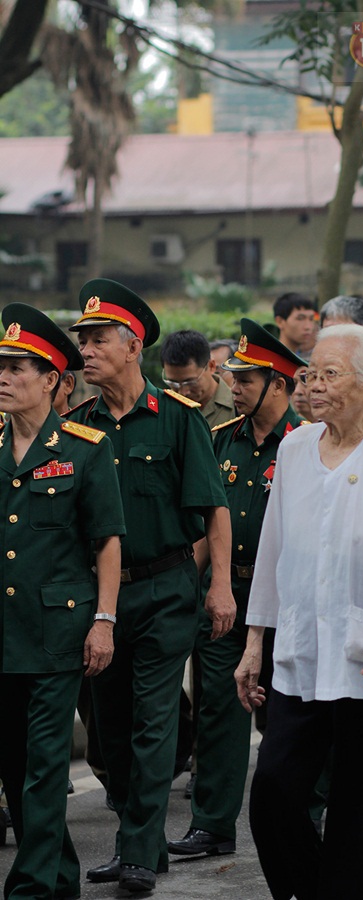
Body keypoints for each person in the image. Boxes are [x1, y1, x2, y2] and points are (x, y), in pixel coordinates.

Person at [234, 323, 363, 900]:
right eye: (309, 373)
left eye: (329, 374)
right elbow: (273, 550)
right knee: (273, 794)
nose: (313, 386)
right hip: (301, 656)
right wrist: (256, 644)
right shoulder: (296, 447)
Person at [66, 278, 234, 894]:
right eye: (81, 340)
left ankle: (138, 847)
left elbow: (214, 508)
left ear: (133, 345)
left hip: (166, 588)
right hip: (102, 599)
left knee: (153, 721)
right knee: (109, 729)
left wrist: (219, 588)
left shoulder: (178, 419)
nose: (86, 350)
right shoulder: (78, 427)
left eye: (98, 339)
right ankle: (137, 838)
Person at [167, 319, 306, 860]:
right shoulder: (219, 440)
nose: (236, 386)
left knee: (289, 708)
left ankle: (305, 811)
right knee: (218, 710)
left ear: (279, 383)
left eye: (247, 378)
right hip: (227, 594)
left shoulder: (305, 444)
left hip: (286, 600)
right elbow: (204, 522)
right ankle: (212, 823)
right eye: (236, 376)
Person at [0, 303, 124, 900]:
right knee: (15, 767)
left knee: (47, 766)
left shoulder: (85, 447)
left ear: (52, 379)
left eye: (18, 366)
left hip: (58, 634)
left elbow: (106, 544)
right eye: (0, 365)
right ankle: (60, 878)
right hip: (4, 634)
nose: (3, 376)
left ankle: (28, 888)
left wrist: (103, 620)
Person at [160, 329, 235, 429]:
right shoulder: (162, 410)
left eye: (190, 382)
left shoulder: (238, 407)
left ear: (211, 366)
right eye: (174, 383)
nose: (183, 392)